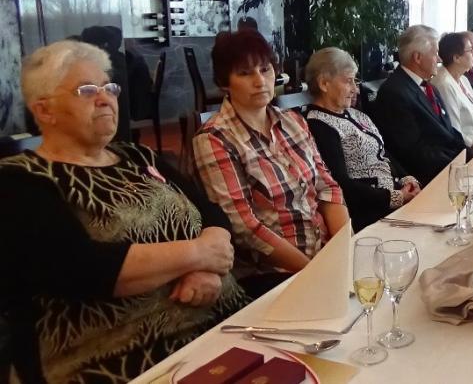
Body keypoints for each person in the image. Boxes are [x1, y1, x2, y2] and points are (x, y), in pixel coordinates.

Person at [0, 40, 246, 383]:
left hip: (223, 324)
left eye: (109, 87)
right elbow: (86, 270)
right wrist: (198, 254)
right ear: (44, 111)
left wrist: (209, 270)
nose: (105, 98)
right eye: (87, 90)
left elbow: (212, 213)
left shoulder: (137, 156)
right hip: (121, 357)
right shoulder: (20, 181)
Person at [193, 31, 349, 298]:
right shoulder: (214, 139)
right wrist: (314, 271)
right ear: (224, 83)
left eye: (265, 69)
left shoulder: (292, 121)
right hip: (273, 275)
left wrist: (345, 249)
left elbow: (327, 186)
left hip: (325, 256)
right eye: (245, 73)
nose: (259, 81)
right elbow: (245, 228)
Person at [303, 47, 421, 232]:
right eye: (348, 81)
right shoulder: (318, 124)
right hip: (369, 214)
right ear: (324, 84)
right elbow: (341, 184)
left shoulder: (355, 114)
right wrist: (396, 197)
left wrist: (407, 179)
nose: (355, 89)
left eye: (355, 81)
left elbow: (382, 151)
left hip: (395, 200)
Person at [374, 25, 468, 184]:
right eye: (435, 53)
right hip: (430, 179)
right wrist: (459, 165)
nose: (439, 59)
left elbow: (448, 131)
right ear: (417, 57)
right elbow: (414, 152)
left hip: (451, 167)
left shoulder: (428, 86)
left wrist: (469, 153)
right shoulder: (394, 93)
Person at [432, 32, 473, 146]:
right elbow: (454, 130)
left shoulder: (464, 79)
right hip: (466, 150)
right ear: (456, 58)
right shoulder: (444, 84)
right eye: (470, 50)